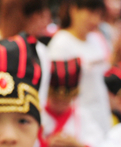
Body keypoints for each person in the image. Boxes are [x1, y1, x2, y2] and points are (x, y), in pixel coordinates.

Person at [47, 0, 113, 137]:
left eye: (99, 15)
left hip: (101, 114)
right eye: (90, 13)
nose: (95, 20)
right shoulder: (61, 43)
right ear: (74, 10)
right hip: (76, 124)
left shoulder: (97, 39)